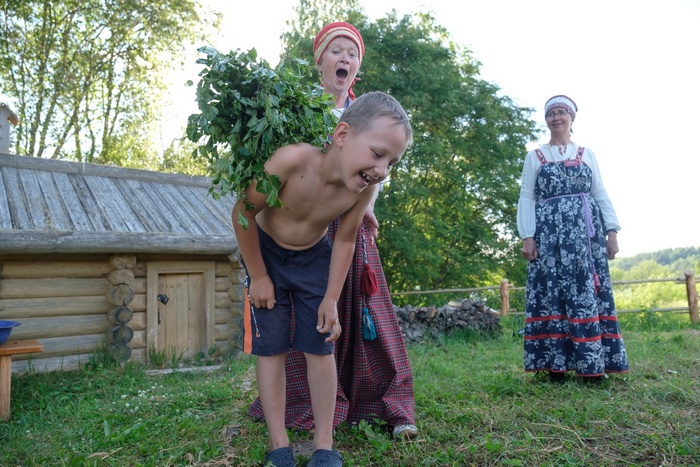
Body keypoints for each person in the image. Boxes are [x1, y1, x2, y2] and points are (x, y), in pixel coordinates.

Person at [247, 21, 418, 440]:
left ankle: (381, 404)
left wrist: (367, 205)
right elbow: (259, 196)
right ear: (320, 59)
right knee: (289, 328)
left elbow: (372, 175)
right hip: (289, 229)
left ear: (357, 67)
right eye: (337, 50)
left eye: (353, 54)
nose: (345, 58)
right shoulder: (297, 110)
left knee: (351, 315)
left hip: (346, 225)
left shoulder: (372, 118)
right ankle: (299, 410)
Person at [516, 94, 630, 383]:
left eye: (561, 112)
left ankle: (592, 367)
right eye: (551, 113)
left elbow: (599, 192)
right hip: (549, 237)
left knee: (584, 293)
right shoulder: (535, 157)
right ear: (546, 119)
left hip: (584, 241)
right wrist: (528, 237)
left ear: (571, 118)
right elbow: (527, 197)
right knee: (551, 293)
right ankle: (556, 367)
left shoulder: (587, 154)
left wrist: (612, 232)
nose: (556, 118)